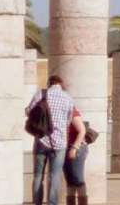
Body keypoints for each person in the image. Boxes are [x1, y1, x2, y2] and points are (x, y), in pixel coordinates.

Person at [25, 74, 75, 205]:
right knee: (54, 176)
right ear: (61, 84)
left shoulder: (40, 94)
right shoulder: (68, 98)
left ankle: (37, 202)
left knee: (38, 176)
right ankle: (52, 203)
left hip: (41, 139)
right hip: (59, 143)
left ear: (49, 83)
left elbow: (29, 112)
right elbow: (68, 121)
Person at [63, 107, 90, 205]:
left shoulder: (72, 112)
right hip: (65, 148)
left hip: (77, 148)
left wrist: (74, 148)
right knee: (70, 181)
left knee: (78, 180)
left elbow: (82, 131)